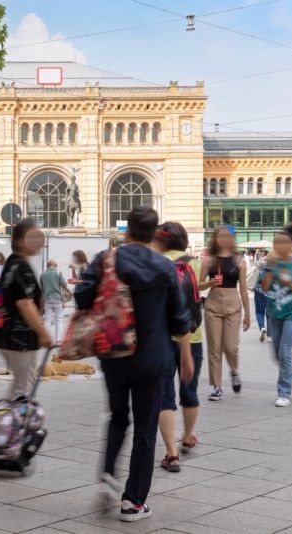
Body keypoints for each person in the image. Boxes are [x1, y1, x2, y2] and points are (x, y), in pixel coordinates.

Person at [75, 206, 192, 522]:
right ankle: (134, 502)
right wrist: (184, 354)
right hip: (153, 359)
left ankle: (108, 471)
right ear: (154, 232)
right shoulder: (165, 267)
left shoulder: (105, 259)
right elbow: (180, 317)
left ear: (127, 229)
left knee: (117, 416)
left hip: (113, 353)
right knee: (145, 427)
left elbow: (82, 297)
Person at [153, 222, 203, 473]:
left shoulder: (155, 262)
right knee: (189, 389)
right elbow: (197, 292)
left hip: (162, 337)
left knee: (164, 395)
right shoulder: (193, 262)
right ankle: (187, 436)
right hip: (192, 336)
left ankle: (171, 454)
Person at [0, 220, 52, 400]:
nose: (38, 240)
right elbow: (24, 303)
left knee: (19, 386)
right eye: (33, 236)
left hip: (8, 335)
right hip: (20, 338)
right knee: (23, 390)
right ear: (20, 241)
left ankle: (5, 424)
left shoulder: (12, 263)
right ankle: (10, 426)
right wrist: (43, 333)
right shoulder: (21, 266)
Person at [262, 224, 292, 407]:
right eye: (277, 242)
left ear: (291, 245)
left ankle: (284, 392)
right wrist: (269, 267)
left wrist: (289, 284)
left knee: (285, 350)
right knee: (276, 354)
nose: (279, 245)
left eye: (284, 242)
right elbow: (265, 288)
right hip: (274, 311)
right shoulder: (271, 263)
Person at [200, 227, 251, 401]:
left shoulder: (239, 260)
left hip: (233, 303)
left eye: (228, 236)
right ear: (215, 239)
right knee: (214, 347)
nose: (224, 239)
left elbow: (243, 290)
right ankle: (217, 386)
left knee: (231, 346)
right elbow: (197, 285)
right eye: (220, 236)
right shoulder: (209, 260)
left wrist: (248, 314)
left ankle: (235, 371)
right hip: (213, 302)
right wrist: (209, 283)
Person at [40, 259, 69, 345]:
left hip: (47, 300)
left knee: (47, 320)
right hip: (57, 299)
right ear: (55, 265)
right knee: (59, 319)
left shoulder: (42, 274)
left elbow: (42, 287)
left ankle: (44, 340)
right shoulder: (58, 272)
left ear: (48, 265)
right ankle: (58, 341)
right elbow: (65, 284)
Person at [254, 259, 269, 342]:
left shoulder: (261, 264)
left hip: (259, 292)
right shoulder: (275, 265)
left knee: (259, 312)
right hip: (270, 293)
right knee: (269, 314)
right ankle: (270, 335)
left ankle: (262, 327)